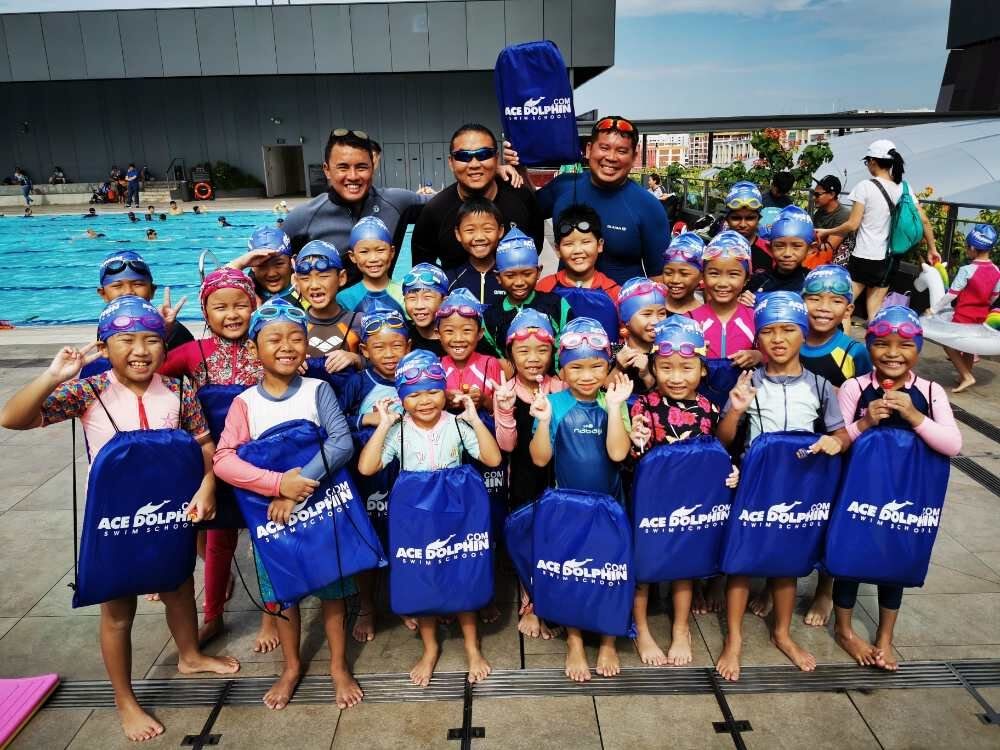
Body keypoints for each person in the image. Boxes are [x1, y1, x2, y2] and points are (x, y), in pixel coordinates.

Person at [0, 297, 241, 741]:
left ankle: (188, 655)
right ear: (104, 346)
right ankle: (125, 699)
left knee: (179, 585)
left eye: (151, 339)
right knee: (118, 609)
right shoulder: (88, 391)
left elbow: (204, 443)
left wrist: (208, 485)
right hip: (114, 518)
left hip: (170, 509)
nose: (140, 349)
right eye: (125, 340)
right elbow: (12, 418)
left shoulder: (179, 390)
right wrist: (55, 375)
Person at [213, 298, 361, 710]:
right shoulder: (246, 403)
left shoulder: (318, 389)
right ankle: (291, 666)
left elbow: (341, 442)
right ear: (254, 347)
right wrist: (278, 485)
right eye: (274, 338)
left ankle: (337, 665)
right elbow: (224, 460)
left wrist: (302, 482)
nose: (287, 345)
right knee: (282, 597)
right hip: (274, 514)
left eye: (297, 337)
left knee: (333, 592)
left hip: (319, 509)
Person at [715, 292, 849, 681]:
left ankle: (782, 633)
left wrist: (834, 442)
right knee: (741, 563)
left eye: (788, 329)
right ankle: (734, 639)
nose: (778, 339)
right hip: (755, 484)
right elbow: (724, 439)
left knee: (787, 566)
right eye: (768, 331)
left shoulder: (821, 386)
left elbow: (841, 434)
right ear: (757, 339)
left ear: (803, 335)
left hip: (800, 487)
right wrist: (737, 409)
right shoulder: (749, 381)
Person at [357, 350, 501, 686]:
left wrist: (474, 418)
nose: (424, 401)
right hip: (417, 518)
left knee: (462, 573)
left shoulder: (456, 424)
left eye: (433, 391)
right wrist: (383, 427)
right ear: (402, 398)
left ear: (445, 392)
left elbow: (493, 459)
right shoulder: (400, 431)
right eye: (414, 394)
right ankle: (430, 647)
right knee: (422, 578)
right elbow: (367, 468)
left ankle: (471, 645)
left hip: (457, 512)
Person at [833, 306, 961, 670]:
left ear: (918, 348)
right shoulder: (855, 388)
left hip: (906, 493)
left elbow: (952, 444)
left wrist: (915, 416)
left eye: (904, 345)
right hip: (859, 491)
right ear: (869, 345)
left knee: (897, 560)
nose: (892, 352)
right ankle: (844, 630)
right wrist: (866, 420)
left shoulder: (931, 391)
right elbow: (842, 440)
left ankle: (885, 637)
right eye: (881, 343)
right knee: (849, 560)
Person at [158, 268, 278, 652]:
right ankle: (212, 615)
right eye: (220, 306)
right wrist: (162, 333)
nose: (231, 314)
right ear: (205, 312)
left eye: (240, 305)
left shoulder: (265, 346)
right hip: (212, 463)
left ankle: (272, 614)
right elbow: (151, 372)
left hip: (260, 457)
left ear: (254, 305)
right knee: (216, 540)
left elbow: (296, 360)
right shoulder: (193, 353)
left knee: (266, 538)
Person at [627, 317, 739, 666]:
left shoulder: (708, 409)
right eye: (666, 368)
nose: (676, 377)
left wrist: (730, 471)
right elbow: (636, 454)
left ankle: (680, 628)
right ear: (654, 368)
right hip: (650, 501)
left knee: (683, 568)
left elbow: (718, 451)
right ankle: (641, 629)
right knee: (642, 570)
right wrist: (638, 440)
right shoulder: (643, 405)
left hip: (689, 503)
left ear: (702, 370)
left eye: (687, 368)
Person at [528, 317, 634, 680]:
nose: (587, 375)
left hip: (610, 504)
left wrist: (617, 408)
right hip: (566, 505)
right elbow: (540, 459)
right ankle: (574, 641)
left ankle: (607, 641)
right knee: (571, 571)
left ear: (608, 366)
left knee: (609, 570)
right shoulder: (553, 405)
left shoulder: (614, 401)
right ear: (563, 368)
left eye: (596, 366)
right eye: (577, 367)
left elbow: (618, 455)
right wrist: (542, 422)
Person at [505, 115, 669, 284]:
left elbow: (659, 279)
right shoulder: (564, 186)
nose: (611, 157)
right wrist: (516, 168)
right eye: (604, 148)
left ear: (634, 157)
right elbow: (524, 209)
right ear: (589, 149)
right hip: (564, 306)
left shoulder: (649, 207)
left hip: (620, 307)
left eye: (621, 151)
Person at [337, 307, 409, 642]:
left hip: (407, 472)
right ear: (364, 351)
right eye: (380, 347)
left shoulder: (416, 376)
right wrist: (364, 421)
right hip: (368, 474)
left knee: (405, 538)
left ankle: (405, 599)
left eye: (397, 346)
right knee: (368, 539)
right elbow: (333, 425)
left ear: (408, 346)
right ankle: (366, 605)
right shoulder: (357, 382)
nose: (390, 354)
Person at [492, 310, 566, 639]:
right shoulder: (506, 391)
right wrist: (505, 409)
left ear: (554, 353)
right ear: (510, 354)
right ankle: (530, 600)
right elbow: (506, 446)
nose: (533, 358)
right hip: (522, 476)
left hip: (560, 474)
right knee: (527, 537)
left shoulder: (563, 387)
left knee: (558, 536)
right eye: (523, 351)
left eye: (542, 350)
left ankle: (557, 595)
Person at [280, 129, 427, 284]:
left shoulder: (396, 202)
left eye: (362, 167)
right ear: (327, 170)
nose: (353, 176)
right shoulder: (304, 217)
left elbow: (448, 203)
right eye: (343, 167)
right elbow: (269, 270)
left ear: (372, 167)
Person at [815, 139, 940, 319]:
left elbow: (852, 224)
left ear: (873, 161)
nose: (867, 165)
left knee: (843, 308)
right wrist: (932, 248)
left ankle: (841, 346)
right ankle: (874, 343)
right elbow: (925, 221)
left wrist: (826, 231)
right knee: (874, 311)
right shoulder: (904, 188)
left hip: (864, 256)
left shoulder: (865, 187)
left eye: (867, 162)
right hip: (889, 259)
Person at [412, 124, 541, 270]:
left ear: (496, 158)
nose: (474, 164)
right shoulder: (435, 211)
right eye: (463, 156)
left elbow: (536, 249)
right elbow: (421, 269)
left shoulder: (521, 197)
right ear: (451, 162)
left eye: (484, 155)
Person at [482, 227, 573, 359]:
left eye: (527, 274)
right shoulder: (490, 316)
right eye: (510, 275)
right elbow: (491, 364)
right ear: (498, 277)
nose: (519, 282)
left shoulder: (557, 306)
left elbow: (569, 354)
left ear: (538, 272)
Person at [91, 250, 194, 364]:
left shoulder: (175, 330)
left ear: (152, 291)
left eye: (138, 284)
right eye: (117, 286)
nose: (128, 292)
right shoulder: (107, 324)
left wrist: (165, 333)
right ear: (103, 294)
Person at [931, 224, 1000, 392]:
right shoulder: (997, 270)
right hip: (982, 315)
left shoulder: (966, 270)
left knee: (947, 343)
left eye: (967, 247)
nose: (966, 250)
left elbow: (952, 294)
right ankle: (965, 374)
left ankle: (967, 375)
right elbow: (995, 296)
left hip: (964, 315)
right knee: (970, 346)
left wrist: (934, 309)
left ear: (973, 248)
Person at [536, 204, 621, 340]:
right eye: (569, 244)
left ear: (599, 245)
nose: (577, 250)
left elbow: (624, 337)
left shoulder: (614, 293)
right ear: (558, 250)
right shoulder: (544, 288)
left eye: (586, 242)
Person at [291, 240, 363, 372]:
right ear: (296, 282)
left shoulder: (358, 322)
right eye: (305, 278)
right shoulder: (292, 325)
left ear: (341, 278)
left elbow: (382, 366)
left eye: (323, 276)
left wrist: (356, 359)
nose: (314, 285)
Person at [691, 231, 759, 364]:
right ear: (703, 277)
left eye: (733, 274)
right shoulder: (689, 320)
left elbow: (772, 356)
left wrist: (758, 356)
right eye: (714, 274)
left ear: (746, 279)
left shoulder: (755, 318)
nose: (722, 283)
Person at [801, 264, 873, 388]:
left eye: (836, 301)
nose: (824, 307)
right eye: (814, 299)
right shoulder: (790, 342)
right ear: (801, 304)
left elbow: (866, 396)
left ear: (848, 311)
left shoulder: (854, 352)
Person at [437, 289, 503, 410]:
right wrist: (443, 400)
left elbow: (503, 410)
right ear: (438, 334)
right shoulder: (435, 366)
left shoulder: (490, 364)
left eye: (467, 330)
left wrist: (484, 400)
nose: (458, 338)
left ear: (480, 333)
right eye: (449, 331)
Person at [337, 216, 405, 313]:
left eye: (380, 250)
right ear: (352, 256)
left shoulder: (405, 294)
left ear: (392, 252)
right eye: (364, 252)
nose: (373, 259)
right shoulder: (345, 298)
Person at [613, 277, 669, 393]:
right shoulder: (613, 352)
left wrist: (646, 375)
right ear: (626, 319)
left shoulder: (668, 354)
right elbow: (599, 396)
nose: (656, 321)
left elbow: (669, 403)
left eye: (662, 313)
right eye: (647, 314)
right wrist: (618, 368)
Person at [746, 206, 813, 301]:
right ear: (770, 248)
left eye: (796, 246)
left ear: (810, 249)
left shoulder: (814, 282)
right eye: (780, 246)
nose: (787, 253)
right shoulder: (757, 282)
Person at [447, 197, 506, 304]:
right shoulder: (451, 279)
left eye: (488, 229)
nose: (479, 237)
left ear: (500, 231)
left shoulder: (509, 276)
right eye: (470, 230)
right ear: (458, 234)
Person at [228, 226, 295, 302]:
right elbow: (215, 284)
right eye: (261, 265)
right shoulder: (246, 292)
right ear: (252, 267)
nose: (271, 274)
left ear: (291, 262)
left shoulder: (304, 289)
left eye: (279, 264)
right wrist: (240, 263)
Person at [724, 181, 772, 273]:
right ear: (727, 219)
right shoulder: (716, 250)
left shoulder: (769, 251)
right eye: (736, 218)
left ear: (758, 219)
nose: (743, 224)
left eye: (750, 218)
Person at [402, 262, 450, 357]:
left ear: (444, 301)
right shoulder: (401, 337)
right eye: (412, 298)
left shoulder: (457, 339)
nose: (419, 306)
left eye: (427, 297)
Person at [811, 175, 853, 267]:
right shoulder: (820, 212)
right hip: (820, 253)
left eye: (817, 195)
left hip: (836, 263)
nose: (814, 198)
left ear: (832, 195)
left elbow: (830, 247)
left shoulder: (843, 214)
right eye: (814, 194)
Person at [660, 232, 705, 314]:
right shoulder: (652, 309)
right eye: (668, 273)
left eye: (684, 274)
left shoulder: (704, 317)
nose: (675, 280)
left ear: (701, 276)